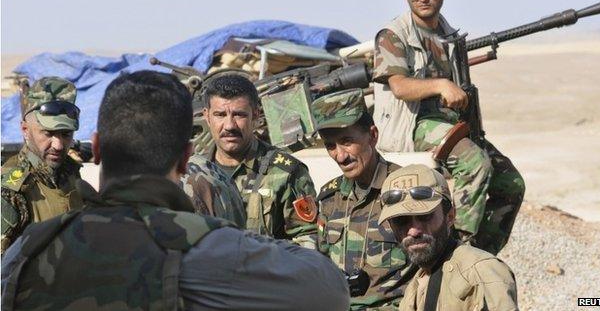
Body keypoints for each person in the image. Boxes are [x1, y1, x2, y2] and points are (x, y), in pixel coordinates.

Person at [0, 71, 350, 311]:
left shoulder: (28, 252)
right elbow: (331, 291)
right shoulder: (210, 250)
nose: (230, 125)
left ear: (97, 148)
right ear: (185, 159)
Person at [372, 0, 525, 254]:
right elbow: (400, 86)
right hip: (415, 124)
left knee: (511, 184)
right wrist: (441, 85)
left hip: (448, 125)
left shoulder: (447, 34)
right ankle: (458, 251)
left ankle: (481, 253)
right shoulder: (393, 34)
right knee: (474, 164)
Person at [185, 73, 318, 248]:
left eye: (239, 115)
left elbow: (309, 240)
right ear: (207, 117)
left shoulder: (286, 172)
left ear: (255, 115)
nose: (229, 125)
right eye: (220, 114)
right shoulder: (189, 172)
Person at [313, 89, 410, 309]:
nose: (340, 156)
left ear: (373, 136)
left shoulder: (404, 188)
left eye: (347, 141)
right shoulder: (330, 197)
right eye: (330, 146)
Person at [378, 164, 518, 310]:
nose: (413, 231)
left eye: (425, 216)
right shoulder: (417, 284)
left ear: (450, 216)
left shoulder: (482, 272)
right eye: (401, 220)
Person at [1, 77, 83, 253]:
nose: (58, 145)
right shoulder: (11, 190)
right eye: (48, 133)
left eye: (66, 134)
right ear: (25, 130)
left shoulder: (70, 170)